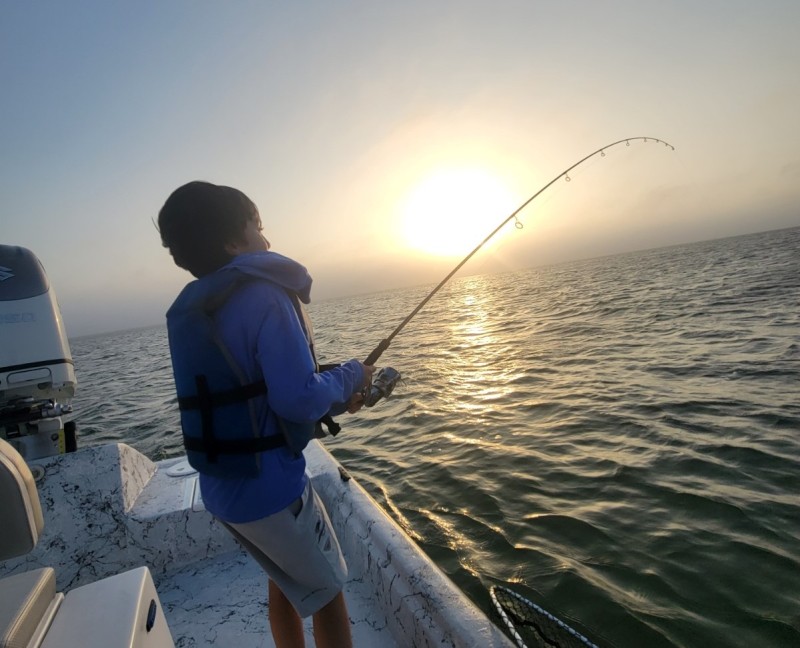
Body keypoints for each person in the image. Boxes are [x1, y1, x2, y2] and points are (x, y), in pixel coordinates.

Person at [158, 180, 372, 648]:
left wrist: (335, 392)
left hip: (223, 491)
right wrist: (354, 373)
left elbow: (256, 392)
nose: (267, 240)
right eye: (258, 227)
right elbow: (296, 400)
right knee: (328, 594)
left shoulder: (203, 306)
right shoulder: (266, 295)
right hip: (271, 489)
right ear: (234, 241)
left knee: (286, 583)